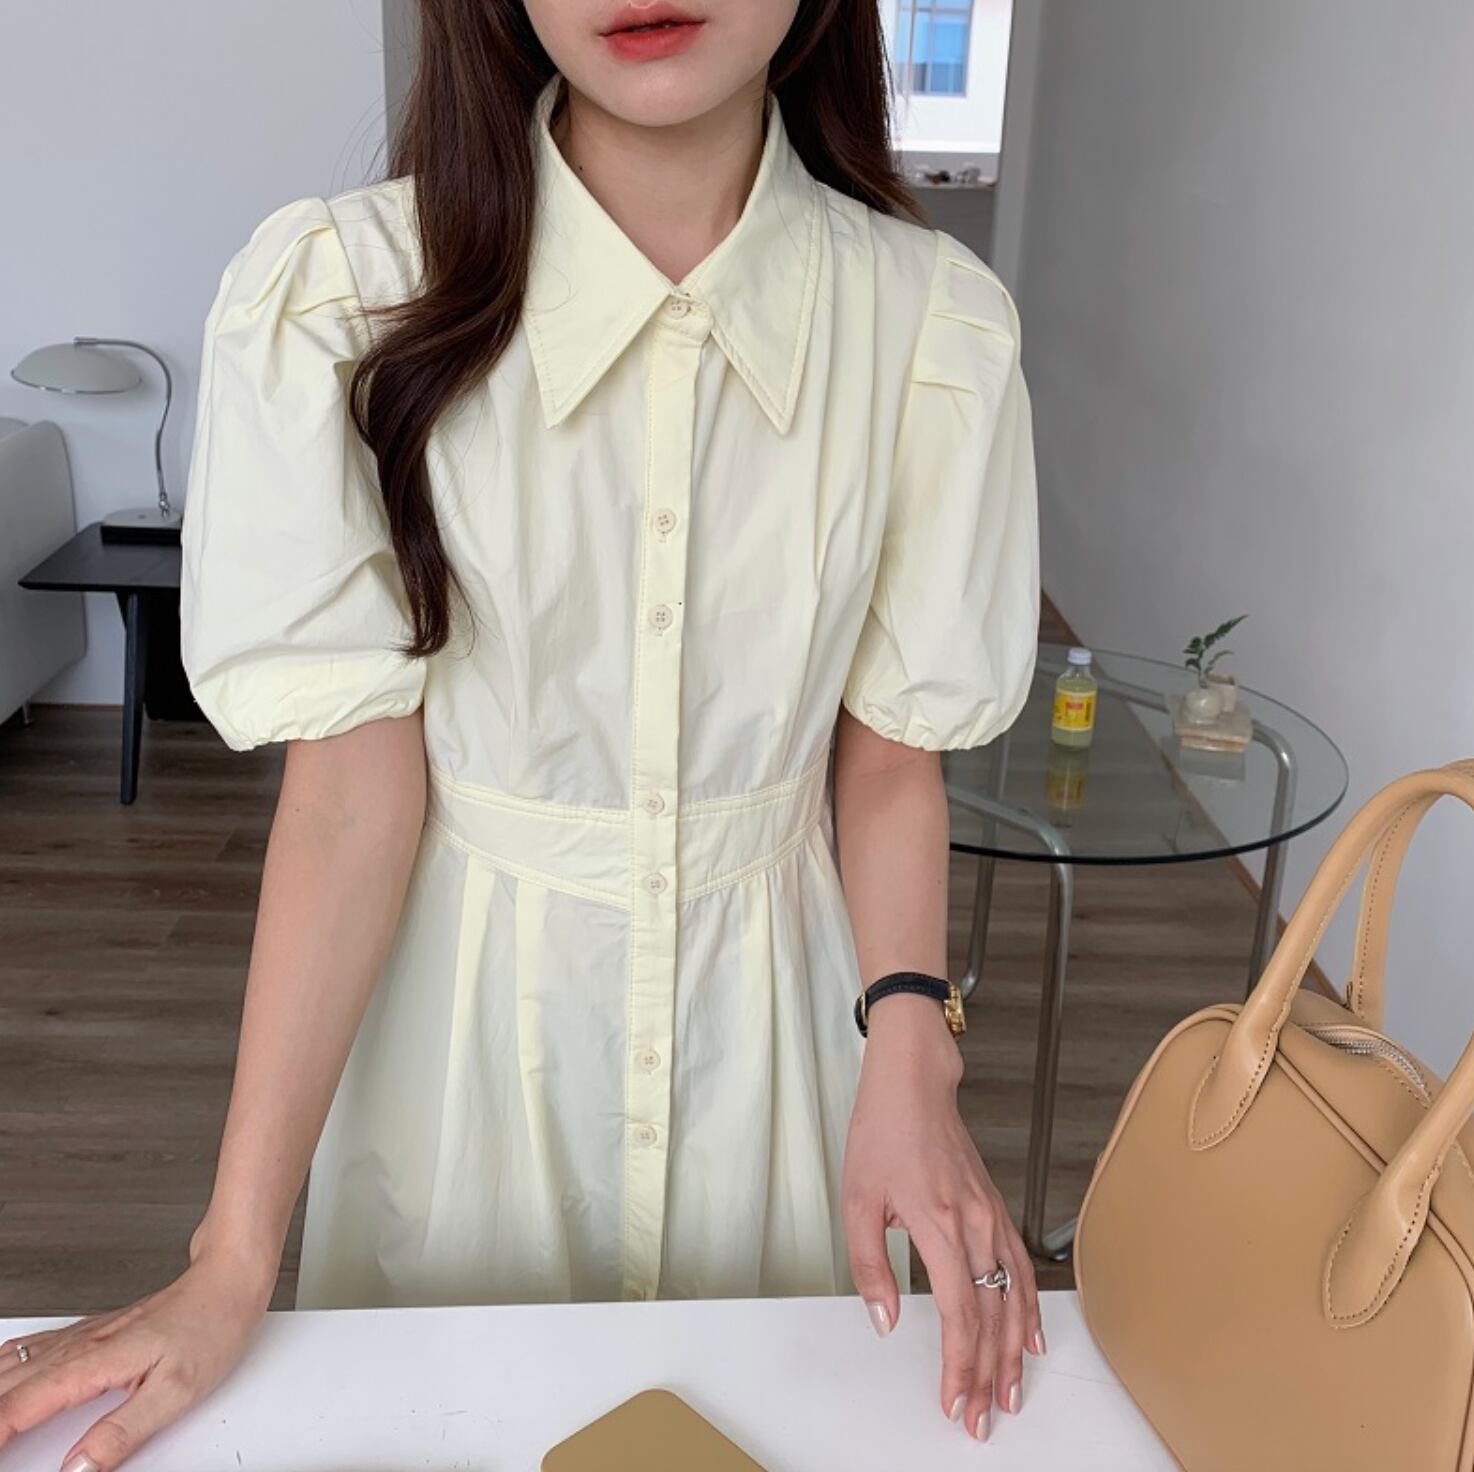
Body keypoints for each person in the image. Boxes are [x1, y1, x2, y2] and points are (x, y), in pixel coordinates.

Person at [0, 1, 1042, 1467]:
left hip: (784, 1051)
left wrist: (911, 1050)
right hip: (460, 1067)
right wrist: (231, 1257)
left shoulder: (929, 325)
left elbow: (886, 760)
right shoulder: (344, 298)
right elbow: (350, 801)